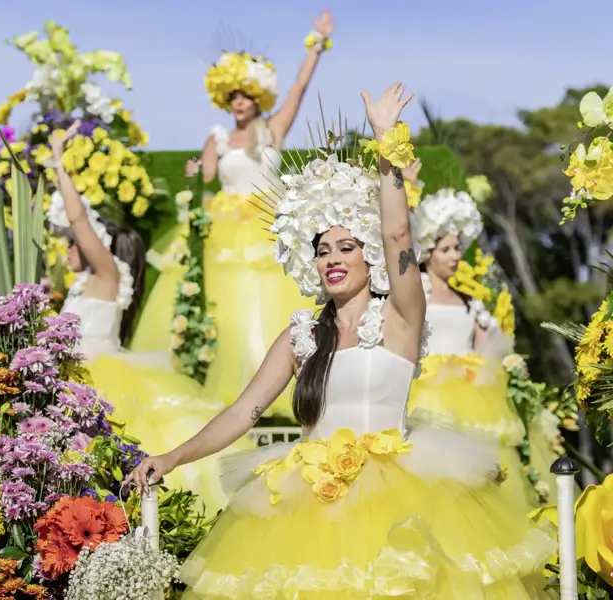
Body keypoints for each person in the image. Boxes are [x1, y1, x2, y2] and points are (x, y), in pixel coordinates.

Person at [126, 84, 555, 599]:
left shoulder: (400, 314)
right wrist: (172, 457)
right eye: (323, 248)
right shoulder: (300, 335)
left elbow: (399, 235)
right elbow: (243, 413)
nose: (332, 257)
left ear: (367, 253)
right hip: (306, 507)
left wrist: (386, 142)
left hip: (400, 501)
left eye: (346, 246)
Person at [131, 11, 335, 419]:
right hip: (225, 223)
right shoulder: (218, 135)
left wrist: (316, 42)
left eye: (245, 96)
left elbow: (299, 86)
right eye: (233, 97)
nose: (238, 103)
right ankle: (231, 385)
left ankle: (278, 381)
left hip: (265, 221)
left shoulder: (274, 128)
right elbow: (206, 174)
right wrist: (195, 168)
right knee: (226, 301)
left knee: (265, 296)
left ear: (258, 96)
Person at [50, 125, 252, 513]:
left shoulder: (108, 275)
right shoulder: (79, 286)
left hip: (102, 378)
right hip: (73, 378)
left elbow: (79, 221)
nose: (67, 249)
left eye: (74, 243)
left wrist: (60, 164)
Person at [407, 183, 542, 510]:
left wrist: (506, 364)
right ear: (428, 252)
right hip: (427, 393)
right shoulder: (415, 297)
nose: (455, 256)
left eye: (457, 248)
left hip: (472, 396)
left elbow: (490, 350)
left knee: (476, 474)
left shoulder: (470, 303)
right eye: (446, 249)